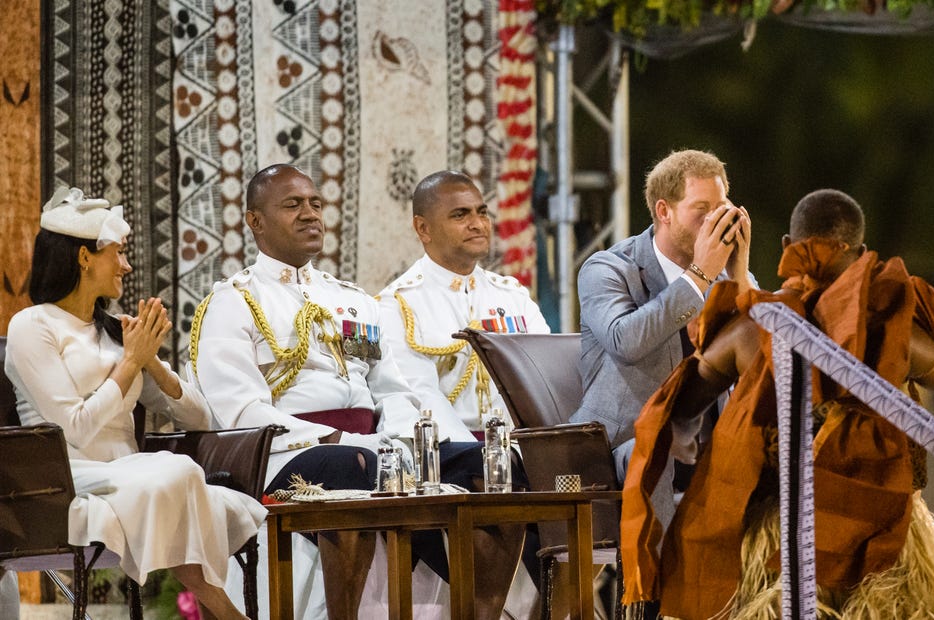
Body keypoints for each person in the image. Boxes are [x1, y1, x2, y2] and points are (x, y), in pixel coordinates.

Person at [620, 189, 934, 619]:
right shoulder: (896, 331)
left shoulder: (751, 331)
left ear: (789, 248)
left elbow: (677, 409)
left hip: (779, 545)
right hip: (887, 542)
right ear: (862, 252)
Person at [3, 187, 265, 619]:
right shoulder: (32, 326)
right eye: (118, 253)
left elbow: (200, 418)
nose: (126, 265)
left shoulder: (115, 333)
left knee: (178, 474)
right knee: (177, 472)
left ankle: (219, 607)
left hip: (130, 472)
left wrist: (153, 365)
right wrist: (129, 364)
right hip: (67, 477)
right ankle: (223, 608)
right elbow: (74, 429)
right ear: (84, 257)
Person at [191, 163, 418, 618]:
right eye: (292, 205)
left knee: (472, 466)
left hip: (371, 444)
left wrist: (404, 438)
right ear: (254, 221)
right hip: (280, 454)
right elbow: (240, 410)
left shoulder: (352, 299)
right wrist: (333, 439)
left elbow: (391, 388)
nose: (310, 214)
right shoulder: (232, 301)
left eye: (315, 203)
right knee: (354, 464)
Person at [377, 169, 549, 616]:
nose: (477, 223)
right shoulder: (399, 304)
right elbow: (418, 396)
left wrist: (536, 444)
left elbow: (543, 381)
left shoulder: (513, 298)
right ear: (423, 228)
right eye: (460, 215)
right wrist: (494, 455)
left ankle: (562, 600)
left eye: (481, 212)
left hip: (517, 452)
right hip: (445, 454)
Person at [572, 149, 755, 515]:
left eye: (721, 209)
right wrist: (698, 276)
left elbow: (760, 354)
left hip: (708, 440)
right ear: (664, 211)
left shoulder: (725, 277)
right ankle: (656, 574)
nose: (715, 223)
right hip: (620, 445)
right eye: (702, 210)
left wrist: (739, 274)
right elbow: (626, 341)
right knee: (659, 448)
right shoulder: (609, 268)